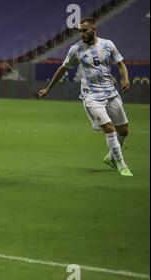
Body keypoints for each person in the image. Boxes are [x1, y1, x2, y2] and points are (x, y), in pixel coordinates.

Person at [37, 17, 133, 177]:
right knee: (109, 127)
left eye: (84, 30)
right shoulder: (76, 50)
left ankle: (111, 157)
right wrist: (48, 88)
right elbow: (62, 69)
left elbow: (121, 65)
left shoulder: (108, 45)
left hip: (111, 93)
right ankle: (121, 164)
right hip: (91, 96)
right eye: (80, 31)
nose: (81, 33)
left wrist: (125, 79)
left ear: (94, 29)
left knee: (123, 130)